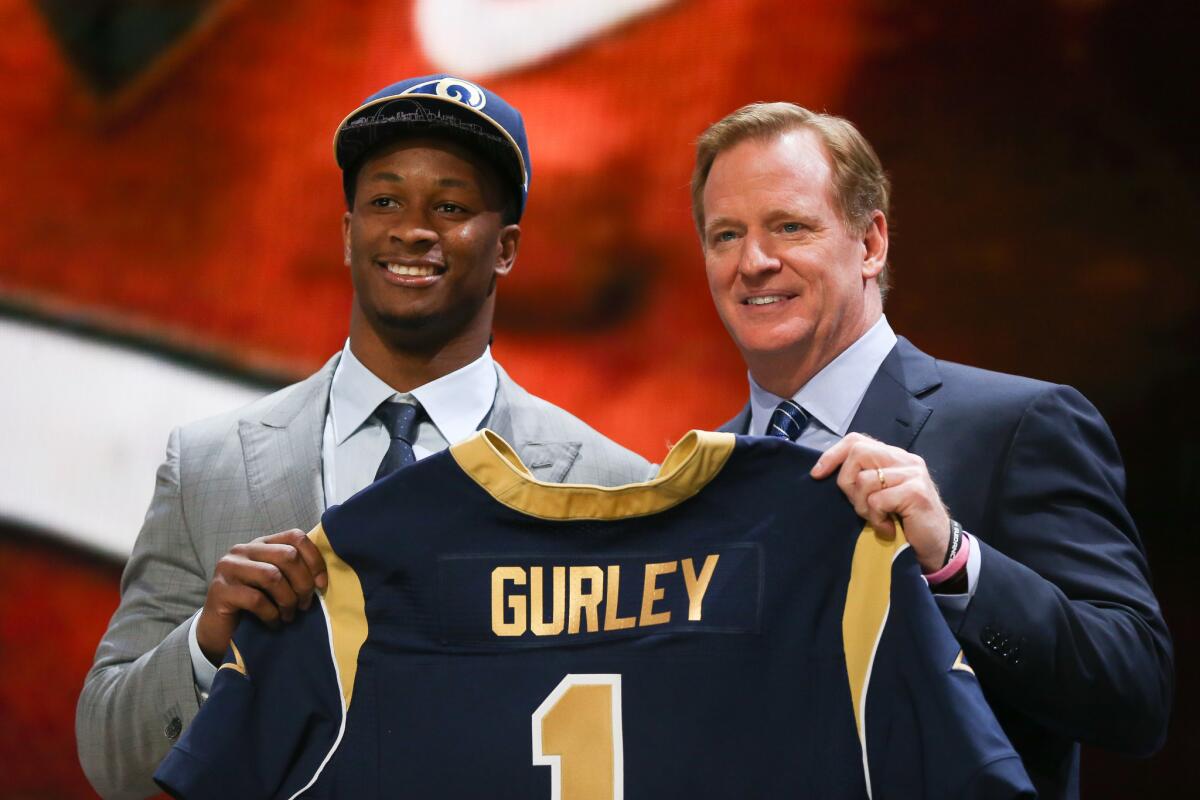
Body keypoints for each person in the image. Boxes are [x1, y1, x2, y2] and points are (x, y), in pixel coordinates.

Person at [76, 74, 654, 799]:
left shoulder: (609, 487)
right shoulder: (207, 466)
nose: (412, 228)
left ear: (506, 248)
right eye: (384, 200)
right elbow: (107, 754)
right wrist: (204, 642)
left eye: (450, 205)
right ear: (348, 233)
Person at [692, 102, 1172, 800]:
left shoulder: (1020, 425)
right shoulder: (702, 478)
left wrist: (952, 559)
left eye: (789, 226)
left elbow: (1137, 695)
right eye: (724, 235)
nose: (753, 262)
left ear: (871, 244)